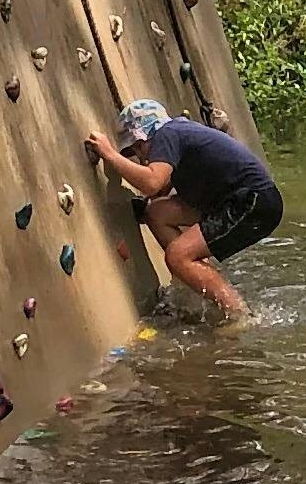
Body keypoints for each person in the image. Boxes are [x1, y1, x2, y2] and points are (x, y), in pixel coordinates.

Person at [87, 99, 283, 319]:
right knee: (158, 213)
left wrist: (109, 154)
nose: (141, 158)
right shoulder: (180, 132)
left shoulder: (166, 134)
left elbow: (152, 182)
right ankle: (194, 280)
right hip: (240, 198)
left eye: (137, 149)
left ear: (143, 138)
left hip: (251, 201)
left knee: (177, 255)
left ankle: (239, 317)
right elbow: (161, 187)